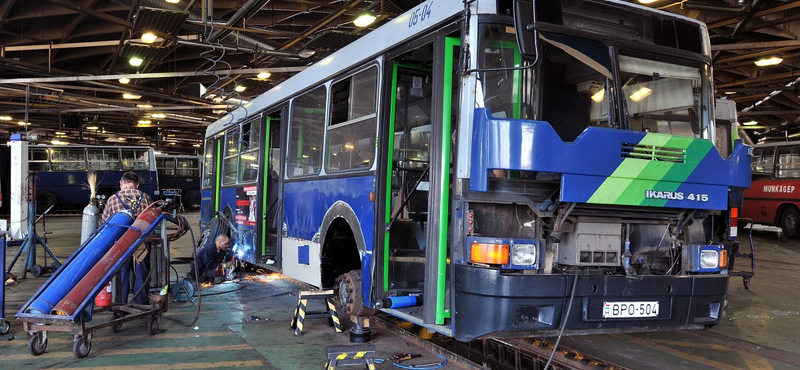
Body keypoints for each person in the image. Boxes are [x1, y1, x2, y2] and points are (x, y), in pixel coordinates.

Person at [102, 171, 154, 305]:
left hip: (120, 244)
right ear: (137, 185)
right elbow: (153, 220)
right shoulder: (145, 197)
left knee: (121, 275)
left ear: (121, 184)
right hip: (141, 243)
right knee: (141, 273)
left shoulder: (113, 199)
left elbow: (105, 223)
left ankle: (120, 305)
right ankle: (141, 304)